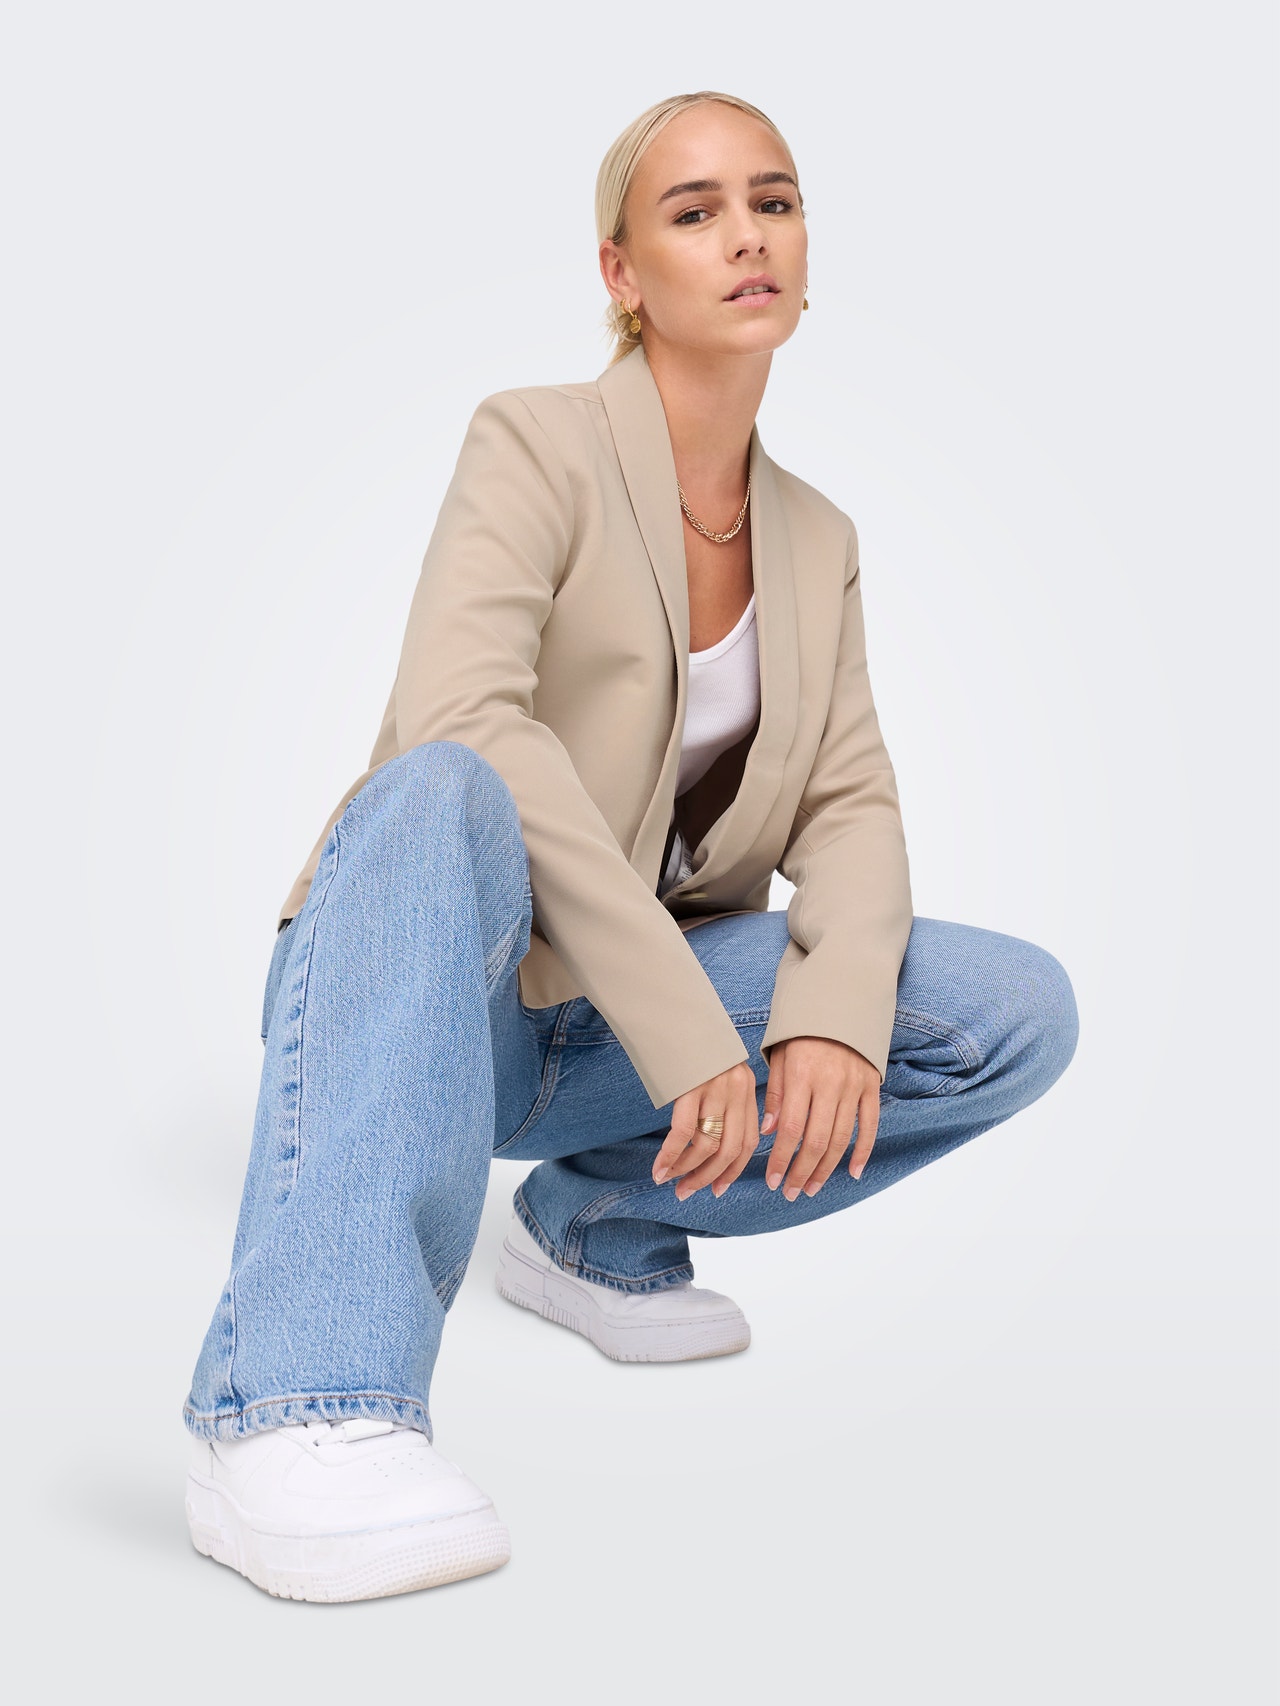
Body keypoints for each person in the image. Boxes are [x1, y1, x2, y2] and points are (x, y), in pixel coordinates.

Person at [182, 90, 1079, 1604]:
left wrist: (834, 1017)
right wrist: (686, 1025)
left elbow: (851, 802)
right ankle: (288, 1405)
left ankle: (593, 1219)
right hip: (429, 990)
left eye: (774, 203)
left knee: (1011, 1010)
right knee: (442, 785)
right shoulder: (534, 441)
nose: (747, 236)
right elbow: (467, 716)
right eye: (695, 210)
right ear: (620, 272)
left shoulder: (818, 537)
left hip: (611, 1046)